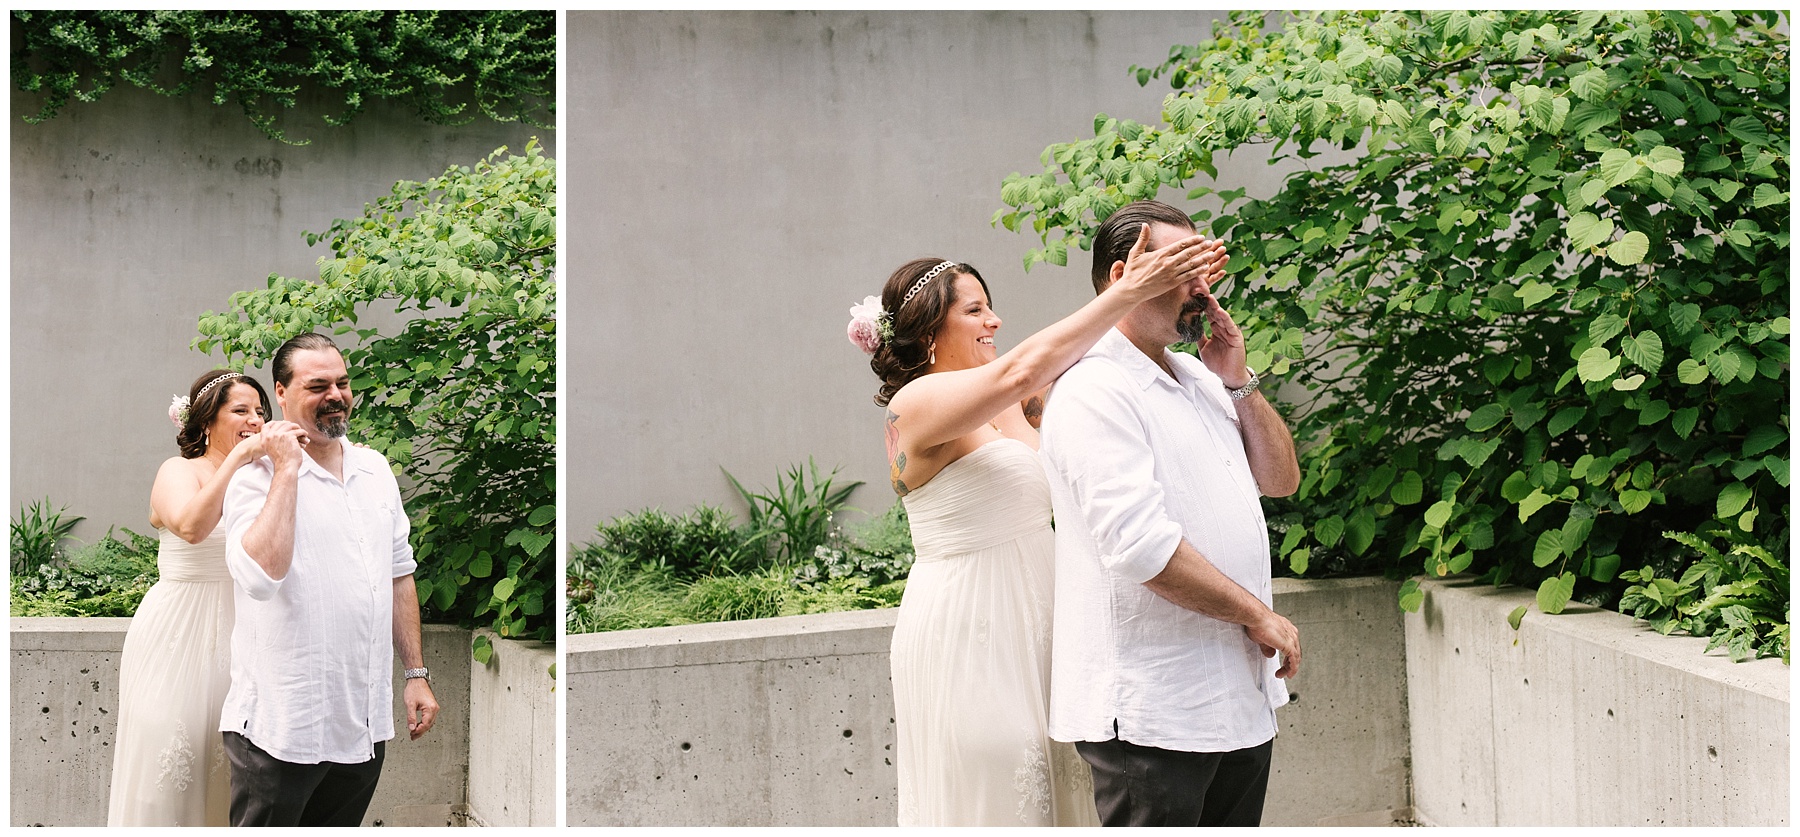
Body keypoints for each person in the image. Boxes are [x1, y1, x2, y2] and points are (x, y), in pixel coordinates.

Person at [848, 228, 1227, 826]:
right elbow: (1028, 365)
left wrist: (1174, 295)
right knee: (999, 784)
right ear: (927, 332)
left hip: (1044, 615)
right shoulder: (914, 405)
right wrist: (1128, 290)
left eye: (991, 306)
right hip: (968, 626)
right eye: (975, 310)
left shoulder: (1009, 399)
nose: (995, 321)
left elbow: (1084, 358)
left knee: (1063, 784)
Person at [1038, 200, 1303, 827]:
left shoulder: (1200, 375)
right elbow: (1139, 547)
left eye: (1202, 267)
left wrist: (1238, 378)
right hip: (1152, 712)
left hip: (1235, 698)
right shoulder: (1092, 389)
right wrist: (1257, 614)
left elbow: (1281, 479)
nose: (1200, 287)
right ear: (1120, 276)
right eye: (1180, 267)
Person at [218, 332, 439, 827]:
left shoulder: (375, 469)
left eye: (342, 382)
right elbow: (258, 577)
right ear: (280, 392)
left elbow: (399, 574)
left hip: (361, 722)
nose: (335, 395)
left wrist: (415, 674)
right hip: (281, 726)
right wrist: (287, 468)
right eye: (317, 385)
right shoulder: (255, 476)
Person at [107, 369, 271, 826]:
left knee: (234, 767)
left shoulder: (266, 477)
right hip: (177, 632)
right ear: (205, 421)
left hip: (247, 632)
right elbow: (192, 527)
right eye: (240, 410)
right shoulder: (177, 471)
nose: (254, 420)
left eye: (260, 412)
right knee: (171, 757)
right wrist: (237, 461)